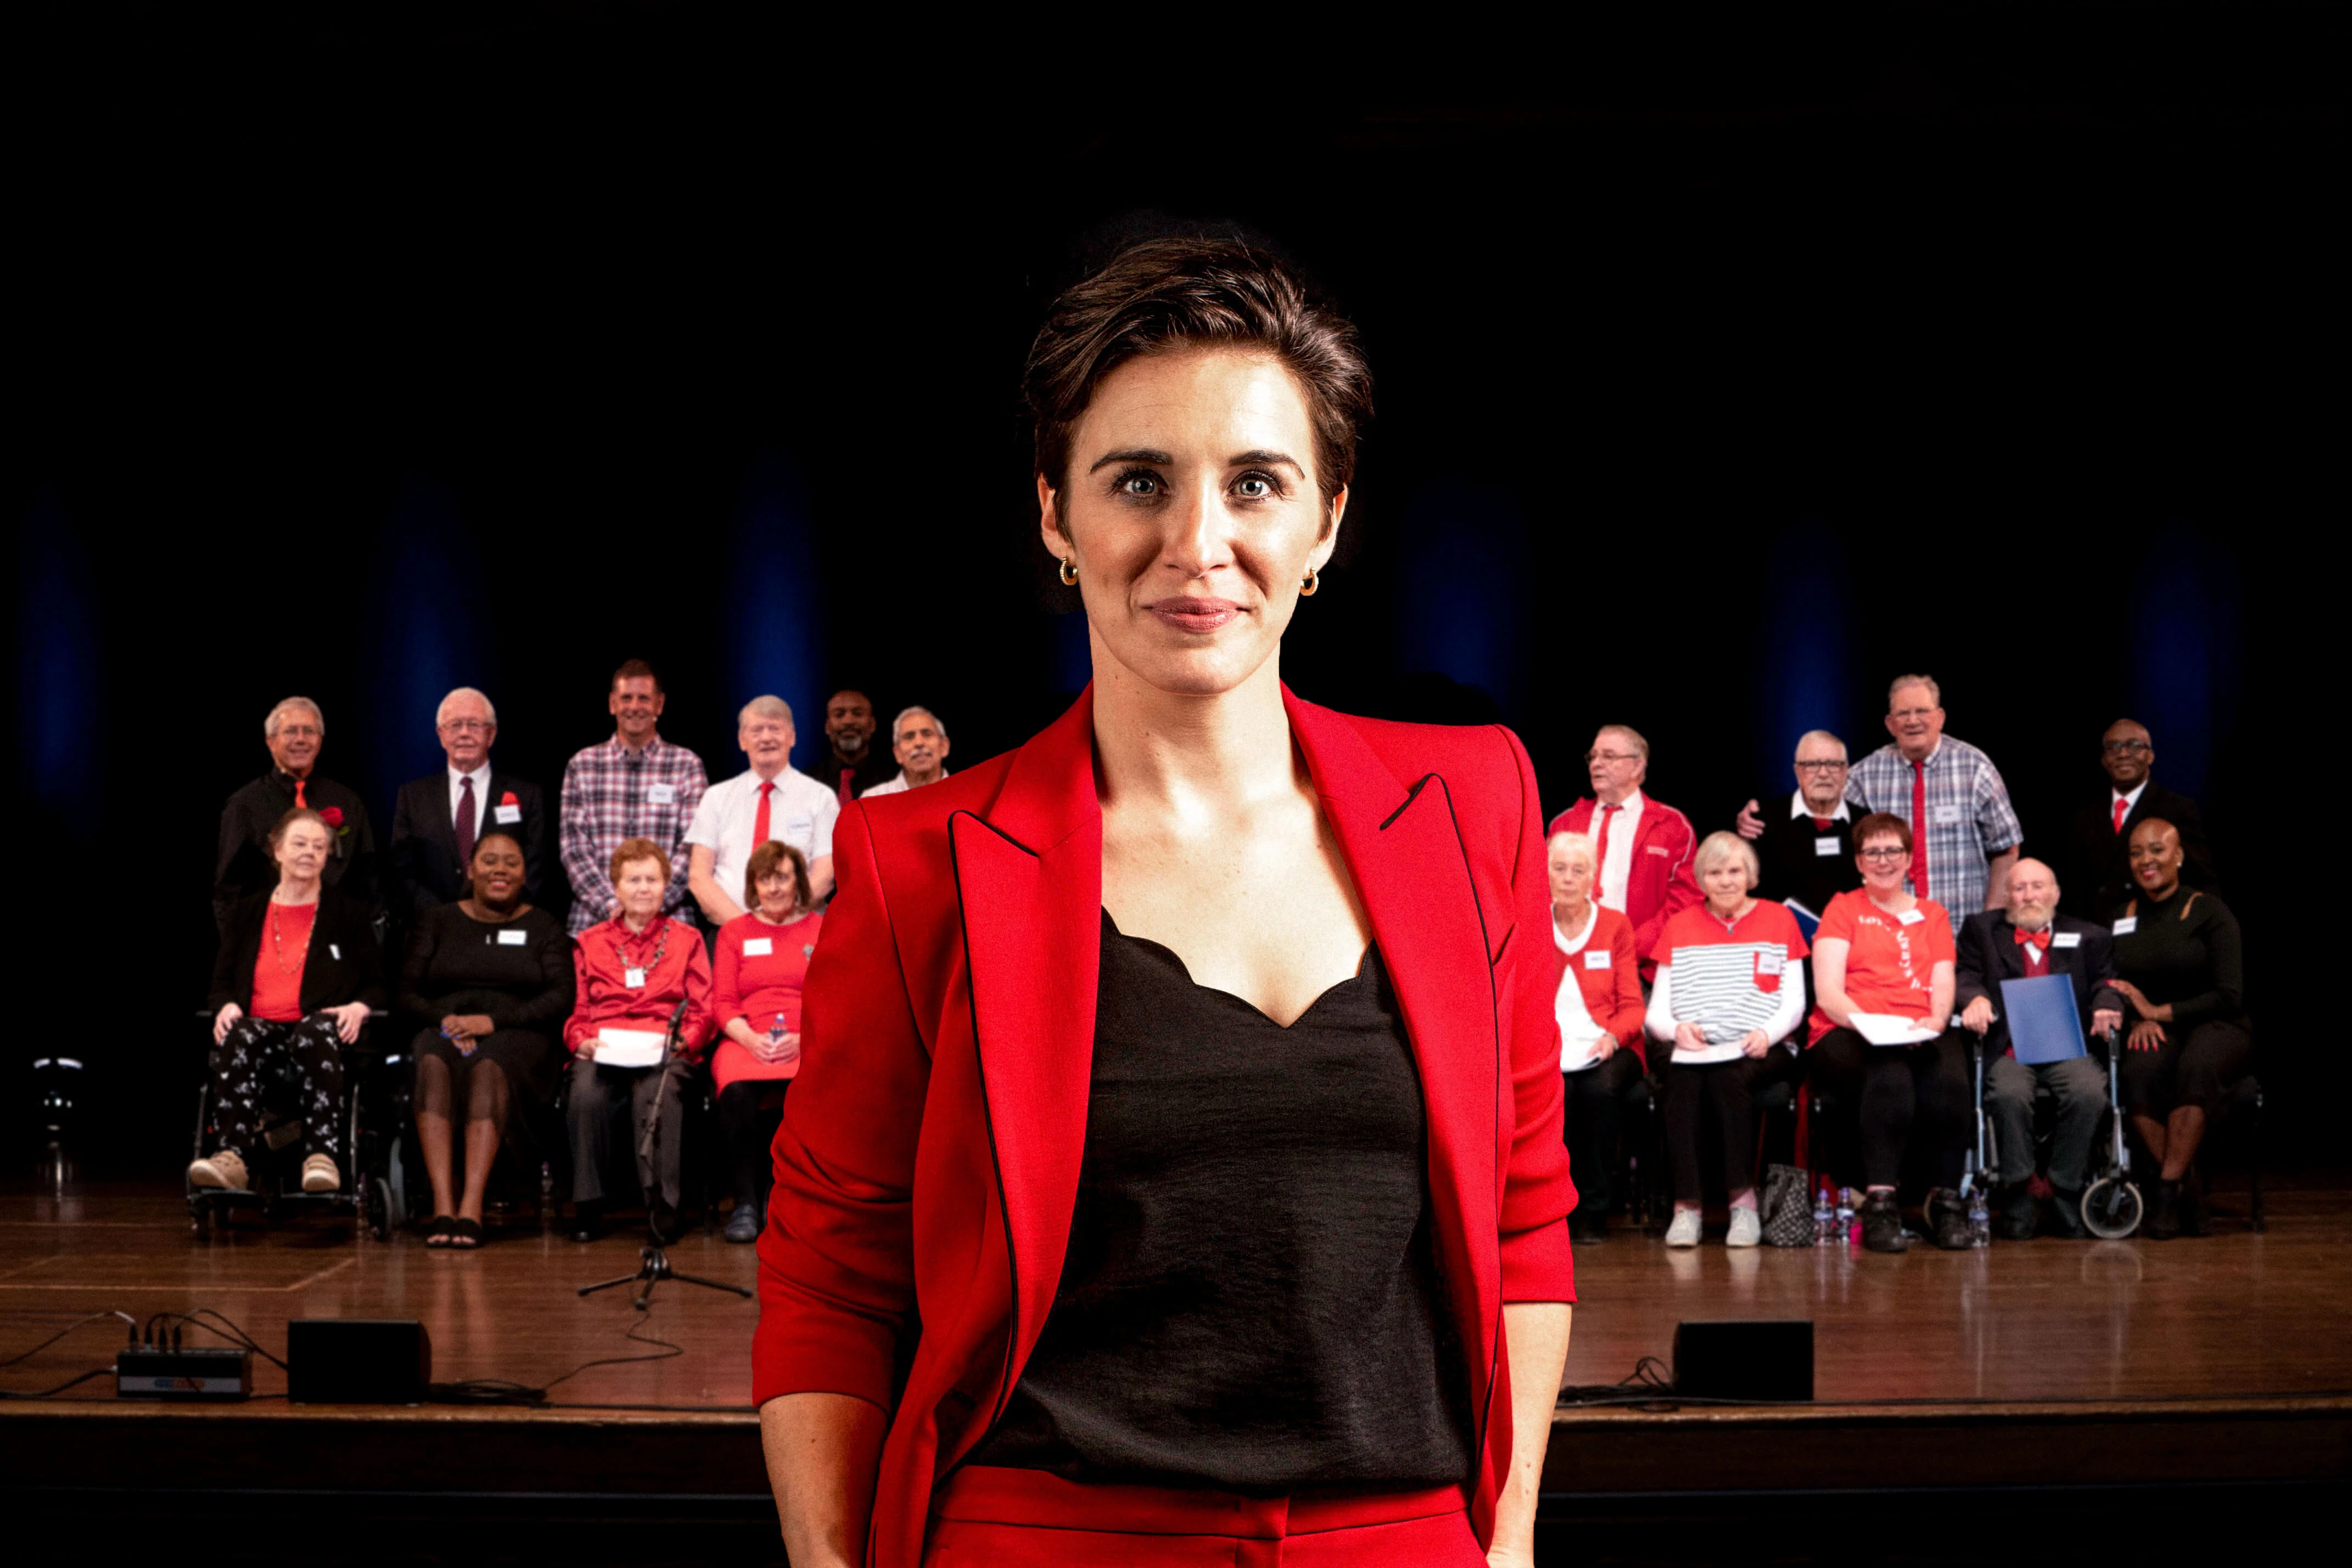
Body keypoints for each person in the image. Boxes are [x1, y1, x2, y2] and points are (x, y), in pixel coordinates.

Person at [757, 239, 1573, 1568]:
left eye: (1256, 482)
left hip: (1407, 1540)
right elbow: (831, 1279)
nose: (1199, 544)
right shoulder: (921, 862)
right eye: (1139, 481)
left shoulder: (1472, 803)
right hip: (1046, 1538)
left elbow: (1526, 1213)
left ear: (1325, 522)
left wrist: (1513, 1536)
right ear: (1055, 516)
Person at [393, 831, 574, 1249]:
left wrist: (492, 1021)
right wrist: (451, 1020)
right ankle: (443, 1204)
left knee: (489, 1067)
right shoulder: (437, 920)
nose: (500, 869)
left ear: (525, 874)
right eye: (489, 860)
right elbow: (405, 992)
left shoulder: (543, 925)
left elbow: (560, 996)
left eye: (511, 862)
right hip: (445, 1025)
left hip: (520, 1033)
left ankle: (471, 1207)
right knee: (432, 1061)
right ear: (470, 868)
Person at [192, 808, 384, 1195]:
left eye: (319, 846)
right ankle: (232, 1158)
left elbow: (377, 984)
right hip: (260, 1029)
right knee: (239, 1031)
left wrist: (357, 1008)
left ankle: (321, 1157)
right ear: (277, 849)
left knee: (316, 1029)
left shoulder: (347, 912)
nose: (309, 852)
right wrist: (226, 1004)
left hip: (318, 1031)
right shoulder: (248, 911)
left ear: (328, 857)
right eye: (299, 843)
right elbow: (221, 982)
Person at [1804, 813, 1972, 1252]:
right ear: (1859, 861)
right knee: (1891, 1074)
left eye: (1892, 851)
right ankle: (1880, 1204)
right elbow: (1827, 991)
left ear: (1909, 859)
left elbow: (1943, 981)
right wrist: (1873, 1026)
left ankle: (1946, 1200)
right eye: (1872, 852)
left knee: (1951, 1077)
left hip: (1919, 1025)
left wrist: (1936, 1021)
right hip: (1849, 1028)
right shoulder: (1842, 907)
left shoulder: (1933, 914)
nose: (1883, 861)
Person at [1643, 833, 1809, 1249]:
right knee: (1680, 1082)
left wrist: (1765, 1034)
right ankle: (1687, 1208)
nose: (1725, 880)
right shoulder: (1679, 925)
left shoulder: (1778, 919)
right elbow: (1656, 1013)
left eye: (1734, 870)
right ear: (1701, 879)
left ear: (1750, 875)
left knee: (1728, 1078)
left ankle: (1743, 1203)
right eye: (1714, 872)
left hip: (1761, 1045)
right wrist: (1676, 1030)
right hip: (1694, 1046)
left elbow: (1795, 1003)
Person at [1954, 858, 2123, 1240]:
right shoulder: (1980, 930)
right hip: (2009, 1047)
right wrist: (1974, 998)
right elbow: (1963, 974)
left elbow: (2106, 981)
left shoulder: (2090, 935)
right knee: (2008, 1095)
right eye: (2019, 887)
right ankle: (2021, 1188)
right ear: (2006, 894)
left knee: (2088, 1093)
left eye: (2037, 886)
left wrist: (2106, 1002)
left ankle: (2064, 1185)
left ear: (2055, 893)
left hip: (2067, 1045)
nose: (2028, 895)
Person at [563, 838, 712, 1240]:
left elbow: (702, 1009)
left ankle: (662, 1208)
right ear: (616, 887)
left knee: (655, 1092)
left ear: (666, 886)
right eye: (633, 879)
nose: (643, 888)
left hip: (665, 1046)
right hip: (606, 1046)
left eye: (652, 879)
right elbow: (576, 1013)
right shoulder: (590, 942)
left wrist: (683, 1041)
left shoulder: (687, 939)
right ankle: (588, 1205)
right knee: (585, 1093)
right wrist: (582, 1040)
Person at [2109, 818, 2250, 1239]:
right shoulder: (2122, 915)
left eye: (2156, 849)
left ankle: (2166, 1191)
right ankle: (2188, 1188)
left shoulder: (2209, 911)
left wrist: (2157, 1010)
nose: (2146, 860)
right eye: (2136, 852)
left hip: (2217, 1023)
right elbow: (2111, 982)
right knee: (2136, 1072)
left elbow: (2229, 994)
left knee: (2196, 1065)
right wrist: (2136, 1017)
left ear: (2178, 855)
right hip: (2154, 1026)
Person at [710, 841, 824, 1243]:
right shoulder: (734, 932)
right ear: (752, 884)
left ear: (799, 882)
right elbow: (722, 1002)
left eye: (782, 876)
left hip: (807, 1037)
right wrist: (750, 1038)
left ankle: (790, 1201)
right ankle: (745, 1201)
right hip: (747, 1037)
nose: (773, 887)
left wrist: (802, 1038)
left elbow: (834, 998)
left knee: (811, 1088)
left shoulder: (821, 929)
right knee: (736, 1090)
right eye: (764, 878)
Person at [1840, 675, 2022, 914]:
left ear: (1940, 718)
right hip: (1890, 934)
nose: (1913, 721)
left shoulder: (1975, 767)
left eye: (1922, 711)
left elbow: (2006, 849)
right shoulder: (1863, 777)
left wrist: (1990, 922)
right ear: (1890, 724)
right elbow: (1843, 850)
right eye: (1903, 714)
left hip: (1963, 930)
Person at [1539, 831, 1644, 1243]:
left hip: (1609, 1045)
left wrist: (1611, 1039)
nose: (1567, 878)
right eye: (1559, 868)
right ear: (1545, 873)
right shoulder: (1530, 920)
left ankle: (1594, 1209)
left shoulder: (1615, 925)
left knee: (1597, 1093)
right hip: (1551, 1048)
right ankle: (1551, 1210)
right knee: (1553, 1093)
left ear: (1592, 877)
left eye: (1577, 870)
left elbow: (1633, 1007)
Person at [558, 660, 708, 935]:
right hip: (595, 924)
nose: (635, 707)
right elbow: (574, 849)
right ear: (612, 703)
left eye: (644, 698)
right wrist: (612, 905)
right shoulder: (582, 765)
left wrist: (647, 906)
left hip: (668, 926)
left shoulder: (687, 765)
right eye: (627, 698)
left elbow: (692, 849)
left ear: (659, 705)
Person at [1544, 724, 1700, 978]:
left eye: (1608, 756)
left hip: (1642, 970)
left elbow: (1685, 902)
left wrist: (1628, 948)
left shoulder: (1672, 826)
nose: (1596, 764)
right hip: (1569, 967)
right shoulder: (1565, 824)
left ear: (1637, 766)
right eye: (1592, 757)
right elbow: (1542, 891)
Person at [215, 697, 377, 935]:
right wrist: (242, 955)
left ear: (320, 740)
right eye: (290, 731)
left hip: (338, 942)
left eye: (309, 731)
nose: (300, 739)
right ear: (271, 742)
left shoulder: (347, 802)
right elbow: (229, 891)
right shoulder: (245, 805)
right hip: (272, 940)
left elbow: (369, 882)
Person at [388, 687, 548, 921]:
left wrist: (500, 914)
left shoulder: (526, 795)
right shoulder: (413, 797)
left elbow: (534, 869)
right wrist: (441, 918)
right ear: (441, 735)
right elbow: (401, 871)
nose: (464, 733)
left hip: (504, 927)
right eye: (455, 725)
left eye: (474, 725)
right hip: (431, 930)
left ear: (491, 734)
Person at [685, 696, 839, 929]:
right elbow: (699, 875)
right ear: (742, 740)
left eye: (775, 729)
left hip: (799, 933)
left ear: (792, 737)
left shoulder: (820, 797)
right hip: (730, 933)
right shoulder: (716, 798)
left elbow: (826, 873)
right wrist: (745, 929)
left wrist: (782, 919)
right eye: (757, 730)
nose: (767, 737)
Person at [2062, 718, 2219, 920]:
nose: (2124, 753)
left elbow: (2201, 880)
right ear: (2104, 760)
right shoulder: (2085, 818)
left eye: (2135, 746)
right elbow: (2075, 890)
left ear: (2151, 756)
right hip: (2098, 939)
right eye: (2114, 747)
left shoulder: (2176, 809)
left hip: (2155, 932)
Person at [1743, 730, 1862, 926]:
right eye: (1813, 765)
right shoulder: (1762, 821)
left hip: (1851, 944)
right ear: (1798, 771)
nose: (1823, 773)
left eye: (1833, 764)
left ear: (1845, 771)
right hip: (1781, 944)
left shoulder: (1865, 822)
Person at [816, 689, 898, 803]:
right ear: (827, 727)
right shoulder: (807, 783)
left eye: (858, 714)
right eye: (839, 715)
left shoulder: (894, 782)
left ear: (872, 725)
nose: (848, 721)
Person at [858, 706, 953, 797]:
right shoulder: (873, 799)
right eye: (909, 737)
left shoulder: (965, 793)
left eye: (927, 734)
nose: (919, 743)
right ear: (897, 753)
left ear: (944, 746)